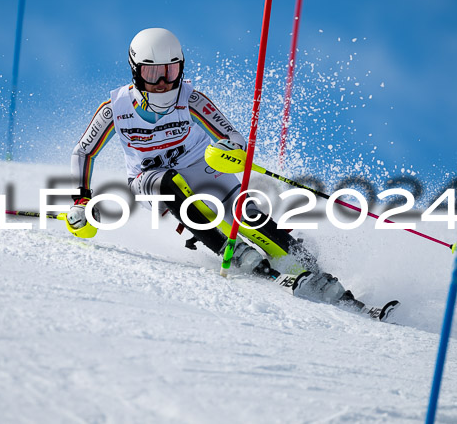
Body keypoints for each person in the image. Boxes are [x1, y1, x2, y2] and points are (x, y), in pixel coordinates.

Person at [68, 28, 354, 305]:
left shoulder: (189, 98)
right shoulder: (115, 109)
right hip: (148, 180)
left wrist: (230, 150)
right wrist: (81, 200)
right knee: (170, 182)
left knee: (248, 216)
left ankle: (310, 269)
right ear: (135, 71)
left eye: (171, 71)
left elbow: (233, 137)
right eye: (152, 73)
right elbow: (83, 152)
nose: (162, 83)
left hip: (199, 167)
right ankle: (230, 249)